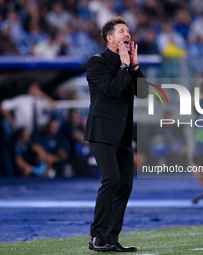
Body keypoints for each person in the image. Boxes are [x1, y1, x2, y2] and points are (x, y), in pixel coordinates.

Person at [84, 17, 148, 252]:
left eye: (128, 30)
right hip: (101, 132)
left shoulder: (128, 63)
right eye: (122, 31)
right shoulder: (96, 62)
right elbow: (111, 90)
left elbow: (143, 94)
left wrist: (134, 66)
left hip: (123, 135)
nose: (127, 33)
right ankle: (96, 237)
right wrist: (123, 66)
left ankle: (111, 238)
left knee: (125, 186)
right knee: (111, 180)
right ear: (110, 38)